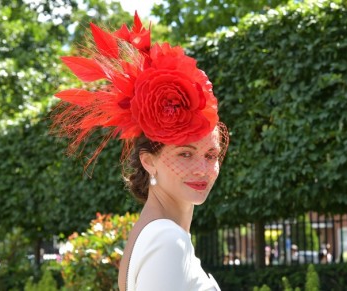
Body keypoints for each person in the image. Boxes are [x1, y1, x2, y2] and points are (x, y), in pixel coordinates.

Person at [51, 11, 228, 291]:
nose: (202, 169)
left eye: (211, 156)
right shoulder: (168, 240)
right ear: (149, 162)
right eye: (184, 154)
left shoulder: (157, 234)